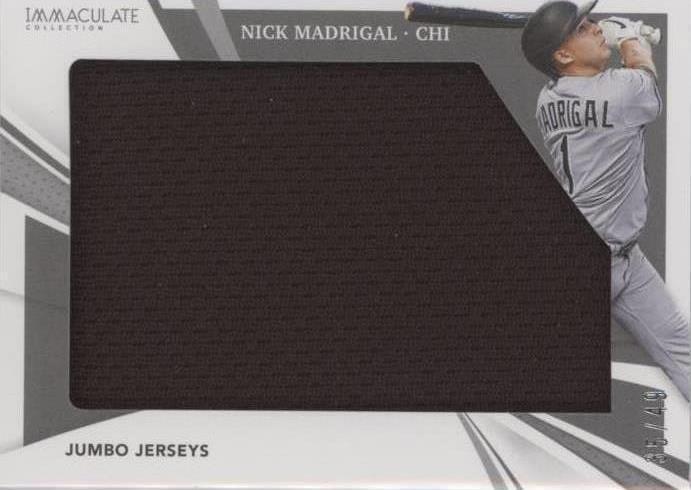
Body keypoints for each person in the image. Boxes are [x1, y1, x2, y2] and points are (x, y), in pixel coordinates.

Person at [521, 0, 689, 399]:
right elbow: (642, 72)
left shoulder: (549, 97)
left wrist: (595, 38)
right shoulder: (620, 94)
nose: (597, 28)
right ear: (563, 56)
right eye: (582, 28)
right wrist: (629, 35)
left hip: (625, 259)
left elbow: (601, 83)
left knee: (682, 350)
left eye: (590, 22)